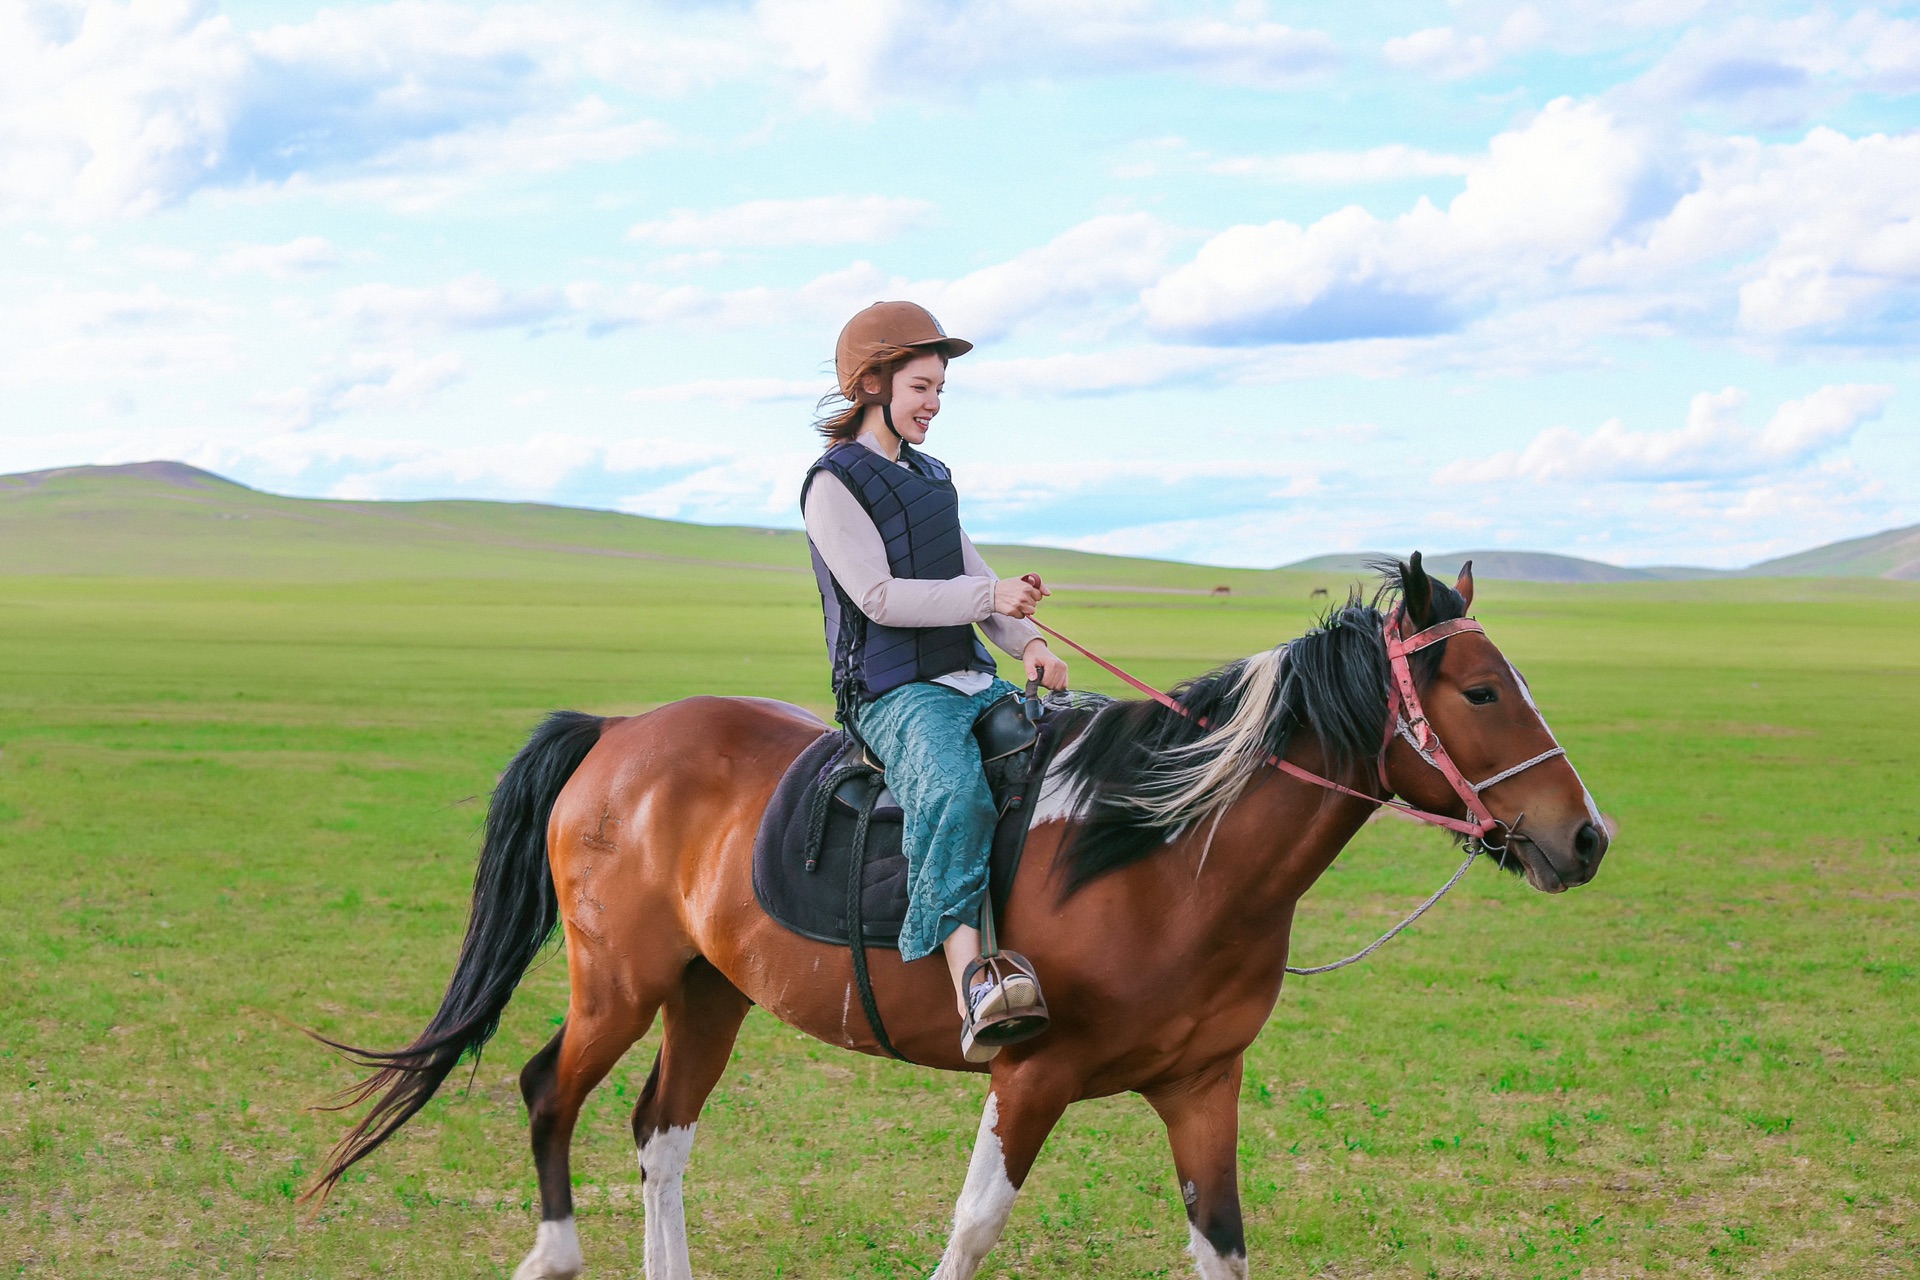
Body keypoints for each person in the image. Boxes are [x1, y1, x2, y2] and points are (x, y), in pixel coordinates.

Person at [801, 300, 1069, 1062]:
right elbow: (879, 597)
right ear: (874, 383)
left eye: (941, 391)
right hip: (890, 693)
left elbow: (978, 579)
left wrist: (1032, 644)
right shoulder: (832, 485)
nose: (933, 405)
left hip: (965, 676)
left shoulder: (930, 478)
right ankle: (973, 986)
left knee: (1083, 741)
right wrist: (991, 597)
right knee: (954, 793)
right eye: (922, 387)